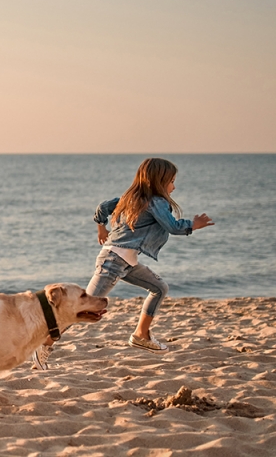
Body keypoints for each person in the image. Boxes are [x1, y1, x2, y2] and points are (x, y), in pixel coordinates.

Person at [32, 157, 214, 369]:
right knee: (81, 309)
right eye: (172, 181)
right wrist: (194, 224)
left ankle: (140, 335)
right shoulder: (156, 202)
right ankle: (43, 345)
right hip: (113, 262)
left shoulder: (132, 198)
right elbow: (172, 226)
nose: (174, 186)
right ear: (159, 181)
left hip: (125, 261)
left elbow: (102, 208)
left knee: (159, 287)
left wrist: (101, 228)